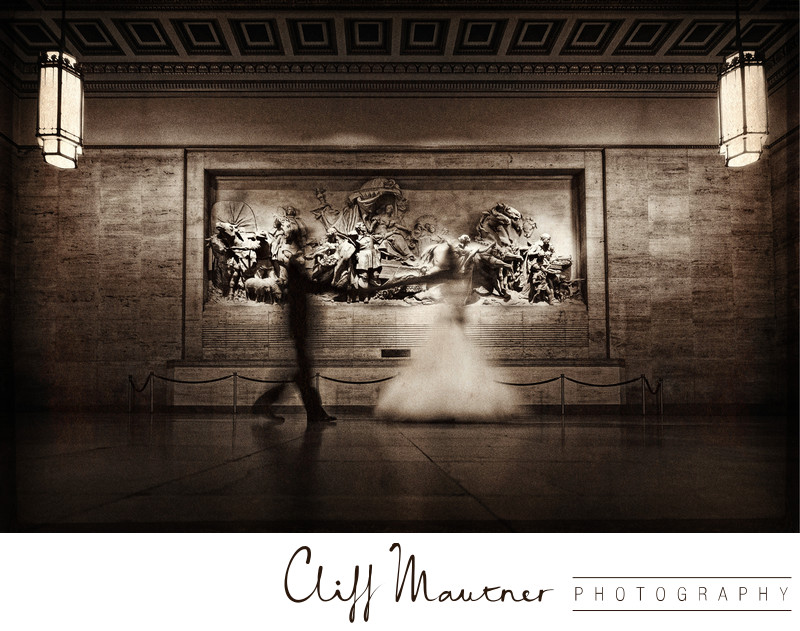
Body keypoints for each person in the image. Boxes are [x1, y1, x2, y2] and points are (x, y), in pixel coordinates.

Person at [373, 242, 520, 421]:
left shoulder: (462, 276)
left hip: (455, 323)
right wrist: (380, 288)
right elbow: (413, 280)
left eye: (453, 256)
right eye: (450, 256)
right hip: (447, 321)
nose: (452, 259)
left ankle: (453, 403)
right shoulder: (448, 275)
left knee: (456, 362)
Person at [252, 221, 336, 426]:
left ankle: (313, 411)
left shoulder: (295, 265)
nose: (304, 242)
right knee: (301, 373)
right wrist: (336, 287)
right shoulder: (294, 266)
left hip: (299, 324)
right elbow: (309, 286)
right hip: (298, 324)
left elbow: (309, 287)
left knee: (301, 374)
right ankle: (268, 403)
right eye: (302, 239)